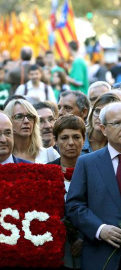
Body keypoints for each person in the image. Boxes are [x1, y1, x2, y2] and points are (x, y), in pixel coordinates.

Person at [66, 102, 121, 270]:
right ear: (103, 129)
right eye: (117, 123)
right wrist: (99, 229)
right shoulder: (87, 162)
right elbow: (74, 205)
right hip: (100, 254)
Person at [49, 114, 86, 270]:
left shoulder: (95, 169)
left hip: (90, 246)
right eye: (64, 138)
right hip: (55, 248)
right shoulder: (47, 172)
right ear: (56, 141)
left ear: (84, 140)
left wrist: (84, 238)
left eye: (76, 137)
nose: (71, 143)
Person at [4, 99, 59, 163]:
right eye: (19, 116)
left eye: (30, 116)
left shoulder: (49, 155)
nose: (26, 121)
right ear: (8, 121)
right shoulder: (1, 156)